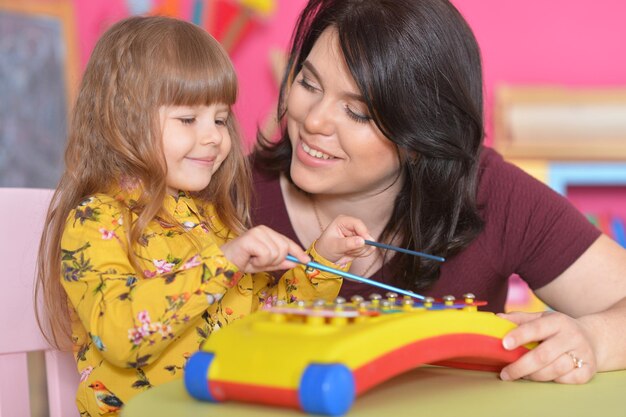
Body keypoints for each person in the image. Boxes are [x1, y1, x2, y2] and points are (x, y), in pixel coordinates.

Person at [251, 0, 626, 385]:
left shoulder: (490, 192)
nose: (313, 120)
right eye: (308, 83)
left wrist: (594, 340)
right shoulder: (225, 195)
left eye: (358, 113)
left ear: (421, 135)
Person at [35, 15, 374, 416]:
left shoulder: (212, 220)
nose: (214, 136)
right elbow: (122, 333)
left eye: (218, 118)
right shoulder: (95, 222)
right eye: (187, 119)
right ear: (123, 117)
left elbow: (265, 325)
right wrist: (223, 262)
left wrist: (323, 264)